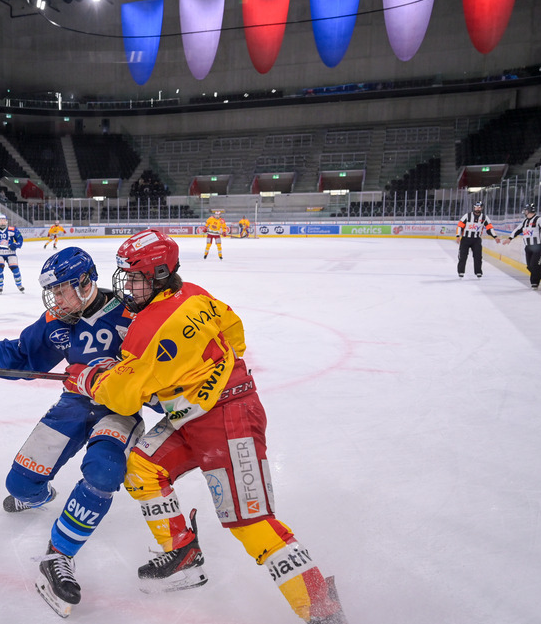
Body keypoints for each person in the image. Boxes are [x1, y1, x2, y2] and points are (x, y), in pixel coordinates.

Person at [63, 229, 348, 624]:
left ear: (160, 273)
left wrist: (90, 379)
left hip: (229, 419)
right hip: (195, 415)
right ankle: (183, 556)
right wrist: (202, 370)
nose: (126, 285)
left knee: (250, 522)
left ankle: (322, 608)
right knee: (143, 467)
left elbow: (124, 397)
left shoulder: (149, 328)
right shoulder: (194, 292)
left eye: (135, 277)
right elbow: (234, 330)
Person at [0, 248, 141, 617]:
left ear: (86, 283)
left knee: (103, 471)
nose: (55, 300)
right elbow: (22, 355)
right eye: (52, 293)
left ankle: (58, 556)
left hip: (118, 411)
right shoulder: (58, 321)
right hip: (73, 404)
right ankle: (39, 495)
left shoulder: (131, 314)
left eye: (61, 291)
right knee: (19, 487)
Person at [502, 203, 541, 290]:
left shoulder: (539, 219)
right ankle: (538, 274)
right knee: (529, 266)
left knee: (535, 265)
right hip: (529, 247)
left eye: (526, 210)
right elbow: (517, 230)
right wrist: (510, 238)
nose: (524, 212)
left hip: (539, 246)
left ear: (529, 210)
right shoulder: (525, 221)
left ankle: (534, 283)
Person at [455, 201, 500, 279]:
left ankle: (478, 272)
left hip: (476, 240)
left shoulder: (484, 217)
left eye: (479, 207)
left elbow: (490, 228)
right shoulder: (467, 216)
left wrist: (495, 236)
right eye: (476, 207)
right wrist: (458, 236)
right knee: (462, 256)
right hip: (465, 239)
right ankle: (461, 271)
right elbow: (460, 226)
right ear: (474, 207)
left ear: (482, 208)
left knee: (478, 256)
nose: (477, 208)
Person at [0, 214, 24, 293]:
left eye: (4, 220)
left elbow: (20, 240)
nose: (2, 222)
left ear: (6, 221)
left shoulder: (13, 230)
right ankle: (0, 286)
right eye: (1, 221)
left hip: (10, 252)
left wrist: (16, 245)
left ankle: (19, 284)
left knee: (15, 268)